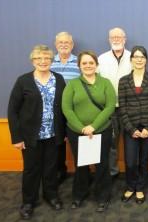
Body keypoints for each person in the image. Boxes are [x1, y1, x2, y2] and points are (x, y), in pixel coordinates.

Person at [7, 45, 66, 220]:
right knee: (31, 170)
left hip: (53, 134)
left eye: (46, 58)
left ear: (51, 60)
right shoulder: (23, 81)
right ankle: (28, 202)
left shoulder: (59, 79)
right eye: (39, 58)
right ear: (33, 61)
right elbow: (12, 110)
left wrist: (64, 131)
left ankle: (51, 195)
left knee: (51, 168)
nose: (43, 61)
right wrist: (16, 137)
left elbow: (63, 107)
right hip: (30, 136)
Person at [62, 50, 116, 212]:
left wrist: (93, 126)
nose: (88, 65)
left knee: (102, 164)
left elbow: (110, 107)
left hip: (102, 130)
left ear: (96, 65)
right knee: (82, 165)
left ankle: (103, 196)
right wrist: (81, 128)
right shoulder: (72, 84)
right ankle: (79, 194)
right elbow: (66, 108)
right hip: (76, 132)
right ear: (79, 66)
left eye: (91, 63)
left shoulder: (105, 83)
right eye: (84, 63)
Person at [119, 46, 148, 204]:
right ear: (131, 60)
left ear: (146, 60)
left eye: (142, 57)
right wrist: (131, 129)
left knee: (143, 160)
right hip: (131, 128)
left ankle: (140, 188)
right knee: (130, 161)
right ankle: (130, 187)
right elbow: (122, 107)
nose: (139, 59)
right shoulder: (123, 81)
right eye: (136, 57)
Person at [98, 27, 132, 178]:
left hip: (129, 108)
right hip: (109, 109)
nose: (116, 39)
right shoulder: (101, 59)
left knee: (131, 142)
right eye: (113, 37)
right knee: (111, 143)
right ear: (109, 40)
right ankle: (112, 172)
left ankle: (131, 173)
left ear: (125, 39)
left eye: (119, 37)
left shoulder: (133, 57)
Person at [51, 31, 80, 185]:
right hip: (53, 110)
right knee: (57, 142)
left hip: (74, 110)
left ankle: (82, 173)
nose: (63, 45)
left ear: (72, 45)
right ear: (56, 45)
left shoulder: (79, 62)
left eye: (67, 42)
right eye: (60, 42)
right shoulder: (49, 62)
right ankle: (59, 171)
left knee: (77, 141)